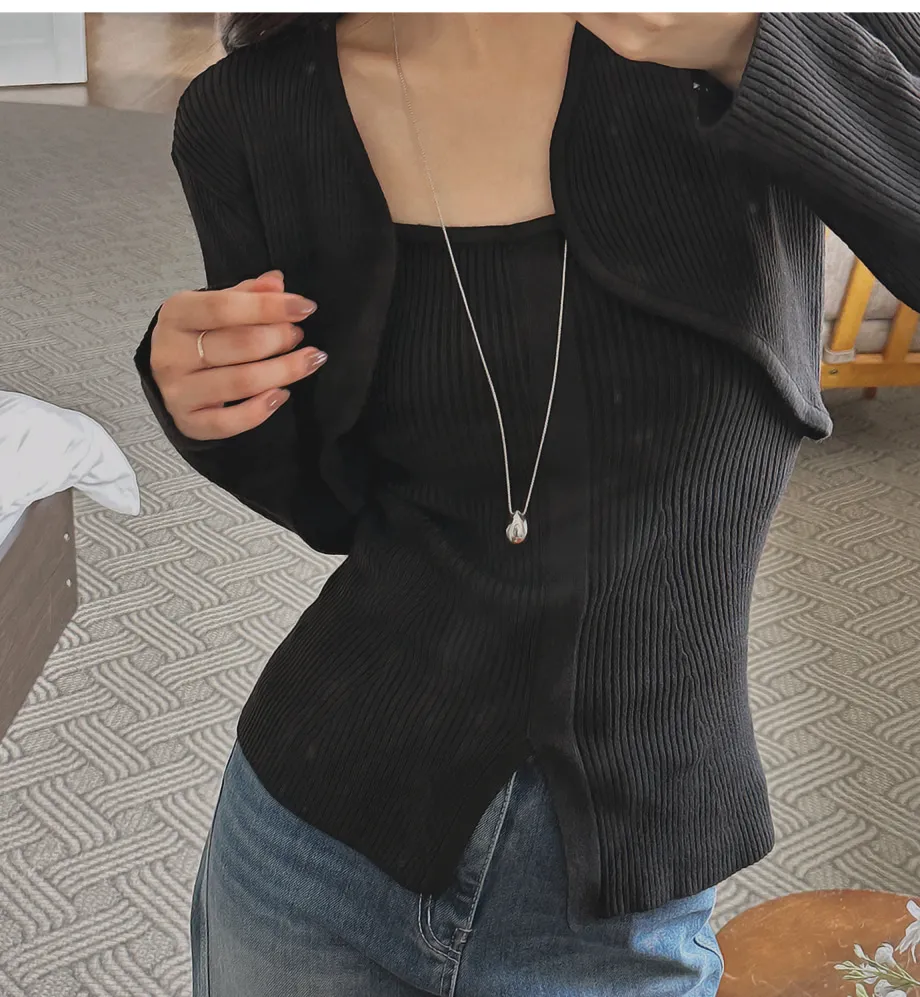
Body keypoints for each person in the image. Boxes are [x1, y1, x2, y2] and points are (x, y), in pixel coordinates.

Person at [134, 13, 920, 996]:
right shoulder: (249, 113)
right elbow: (329, 504)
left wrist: (744, 45)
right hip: (303, 846)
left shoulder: (766, 35)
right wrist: (206, 403)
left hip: (620, 897)